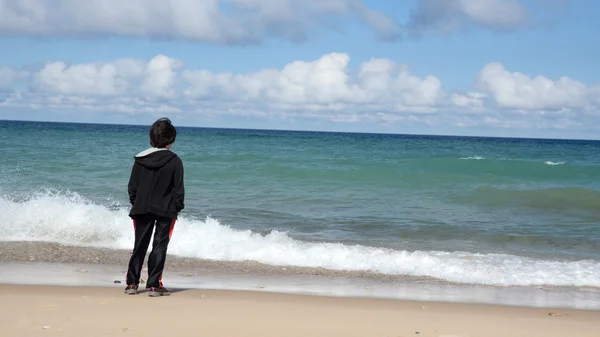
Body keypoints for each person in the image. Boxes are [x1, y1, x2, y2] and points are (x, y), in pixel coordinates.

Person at [124, 117, 185, 297]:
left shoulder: (140, 159)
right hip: (166, 210)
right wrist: (178, 207)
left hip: (141, 208)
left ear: (152, 138)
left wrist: (135, 202)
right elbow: (178, 189)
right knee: (159, 246)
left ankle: (132, 283)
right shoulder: (175, 161)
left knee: (139, 246)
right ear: (170, 140)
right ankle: (154, 284)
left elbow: (132, 187)